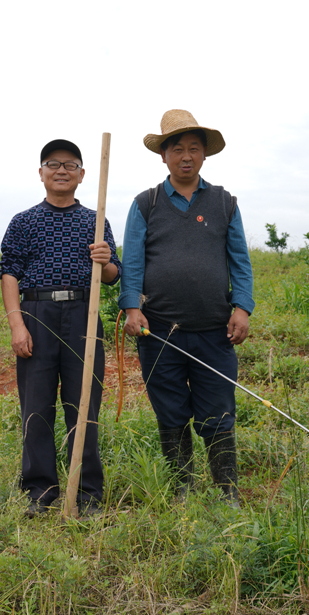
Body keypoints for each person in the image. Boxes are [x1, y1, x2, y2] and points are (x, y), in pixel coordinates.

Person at [119, 110, 255, 507]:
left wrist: (242, 308)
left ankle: (226, 490)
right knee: (171, 409)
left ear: (204, 156)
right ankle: (182, 488)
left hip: (215, 331)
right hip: (159, 331)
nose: (185, 156)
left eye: (194, 148)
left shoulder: (224, 203)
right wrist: (131, 308)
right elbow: (132, 263)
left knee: (218, 411)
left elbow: (240, 261)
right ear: (163, 156)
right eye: (177, 148)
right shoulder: (146, 204)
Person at [0, 139, 122, 518]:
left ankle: (86, 493)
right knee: (36, 406)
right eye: (53, 164)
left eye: (70, 165)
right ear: (41, 173)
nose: (61, 170)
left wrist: (104, 261)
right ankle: (39, 491)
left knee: (82, 405)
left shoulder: (95, 221)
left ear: (82, 175)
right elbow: (9, 273)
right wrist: (17, 323)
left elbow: (114, 275)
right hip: (36, 311)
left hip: (83, 313)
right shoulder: (24, 221)